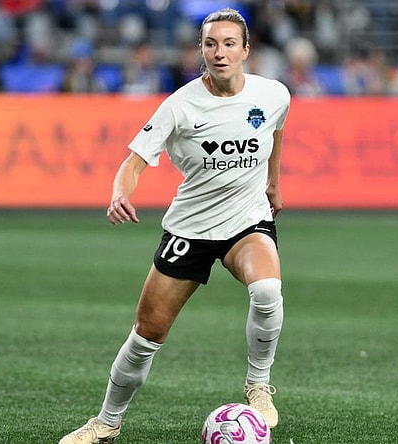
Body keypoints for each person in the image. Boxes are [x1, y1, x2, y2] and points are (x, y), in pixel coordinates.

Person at [58, 8, 291, 444]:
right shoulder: (180, 106)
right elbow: (134, 161)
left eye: (227, 44)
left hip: (247, 219)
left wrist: (273, 184)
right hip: (191, 228)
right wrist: (119, 193)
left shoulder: (274, 93)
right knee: (147, 335)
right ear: (200, 50)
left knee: (267, 291)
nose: (219, 53)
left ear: (245, 49)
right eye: (210, 44)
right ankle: (107, 423)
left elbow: (275, 130)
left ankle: (258, 384)